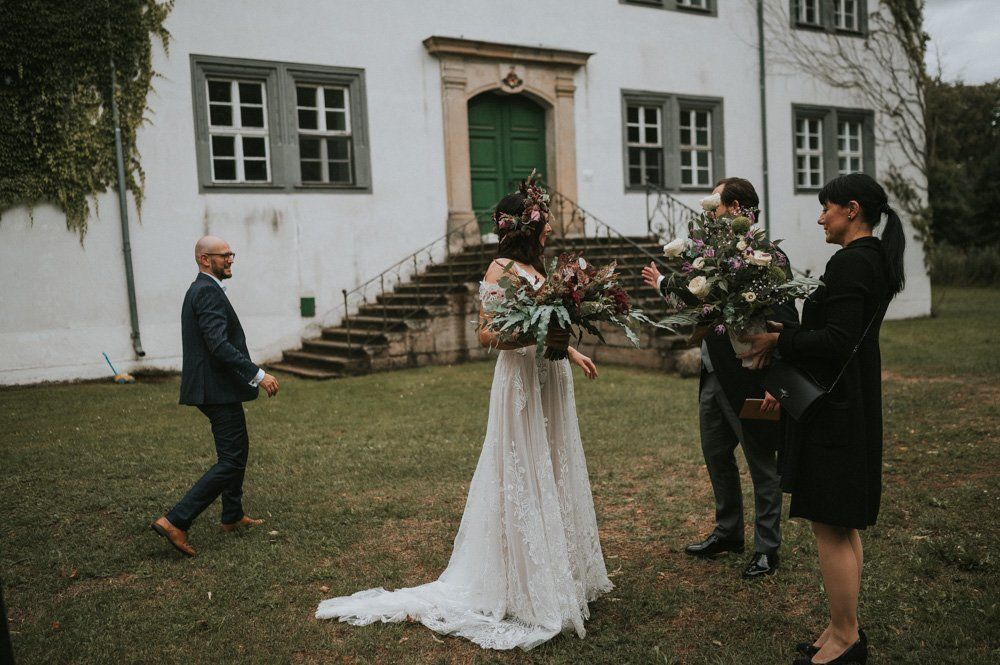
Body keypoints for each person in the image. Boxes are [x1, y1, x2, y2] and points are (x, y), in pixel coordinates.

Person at [316, 178, 612, 650]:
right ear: (527, 225)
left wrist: (569, 350)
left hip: (549, 377)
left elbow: (549, 323)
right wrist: (534, 338)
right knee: (520, 470)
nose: (552, 224)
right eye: (545, 217)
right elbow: (487, 335)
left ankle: (559, 571)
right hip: (520, 381)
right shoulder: (500, 270)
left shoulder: (534, 267)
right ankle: (520, 581)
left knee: (552, 464)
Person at [742, 173, 905, 665]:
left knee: (830, 526)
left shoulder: (853, 263)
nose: (820, 218)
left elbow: (836, 340)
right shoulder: (870, 260)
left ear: (851, 209)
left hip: (835, 412)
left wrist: (779, 342)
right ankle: (841, 627)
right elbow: (838, 335)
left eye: (826, 208)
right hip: (847, 401)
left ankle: (846, 641)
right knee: (842, 523)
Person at [642, 177, 798, 579]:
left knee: (762, 464)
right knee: (716, 455)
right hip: (712, 373)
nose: (709, 209)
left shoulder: (769, 258)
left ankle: (768, 548)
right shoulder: (715, 256)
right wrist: (664, 283)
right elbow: (699, 301)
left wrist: (776, 383)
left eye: (716, 202)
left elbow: (786, 321)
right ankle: (728, 532)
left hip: (750, 377)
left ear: (733, 208)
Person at [150, 235, 279, 557]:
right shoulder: (206, 292)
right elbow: (218, 345)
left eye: (231, 254)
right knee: (232, 458)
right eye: (224, 255)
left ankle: (232, 515)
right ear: (205, 260)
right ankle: (175, 520)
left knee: (237, 450)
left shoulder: (204, 289)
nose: (231, 259)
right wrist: (258, 374)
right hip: (214, 388)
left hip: (216, 387)